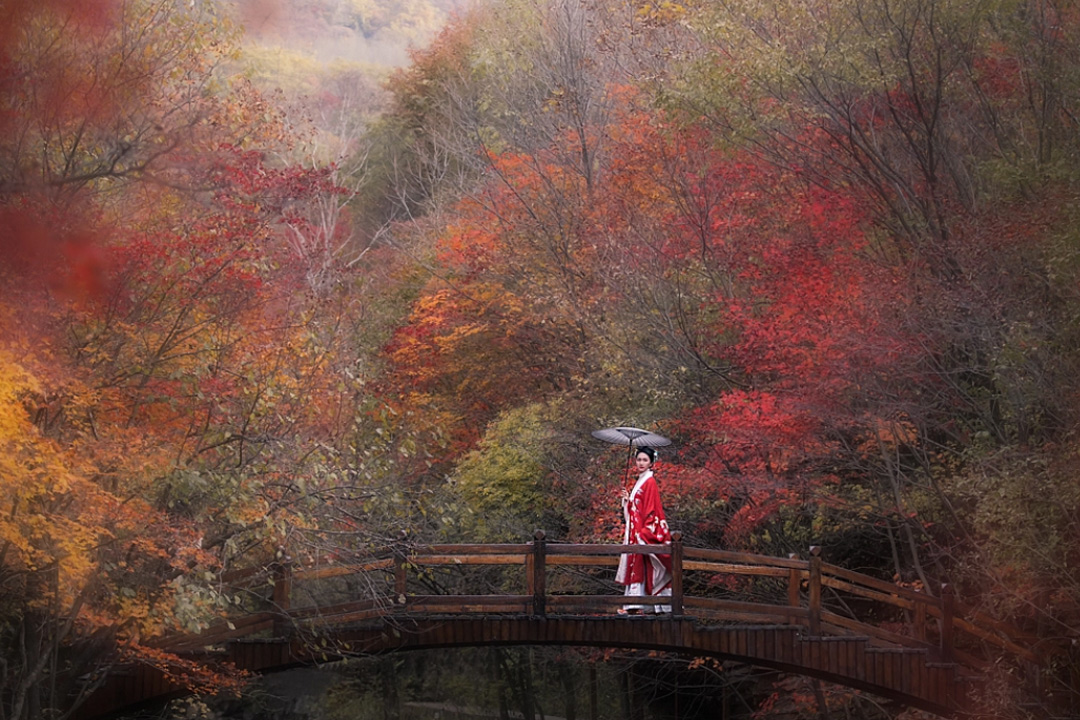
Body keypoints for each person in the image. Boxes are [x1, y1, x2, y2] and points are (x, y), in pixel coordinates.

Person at [615, 446, 672, 614]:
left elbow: (652, 509)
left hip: (643, 531)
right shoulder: (640, 481)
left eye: (645, 460)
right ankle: (637, 605)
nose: (641, 463)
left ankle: (637, 605)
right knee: (638, 565)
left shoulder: (650, 482)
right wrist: (628, 501)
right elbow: (636, 509)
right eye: (639, 459)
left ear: (651, 463)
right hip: (636, 531)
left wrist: (645, 532)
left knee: (642, 565)